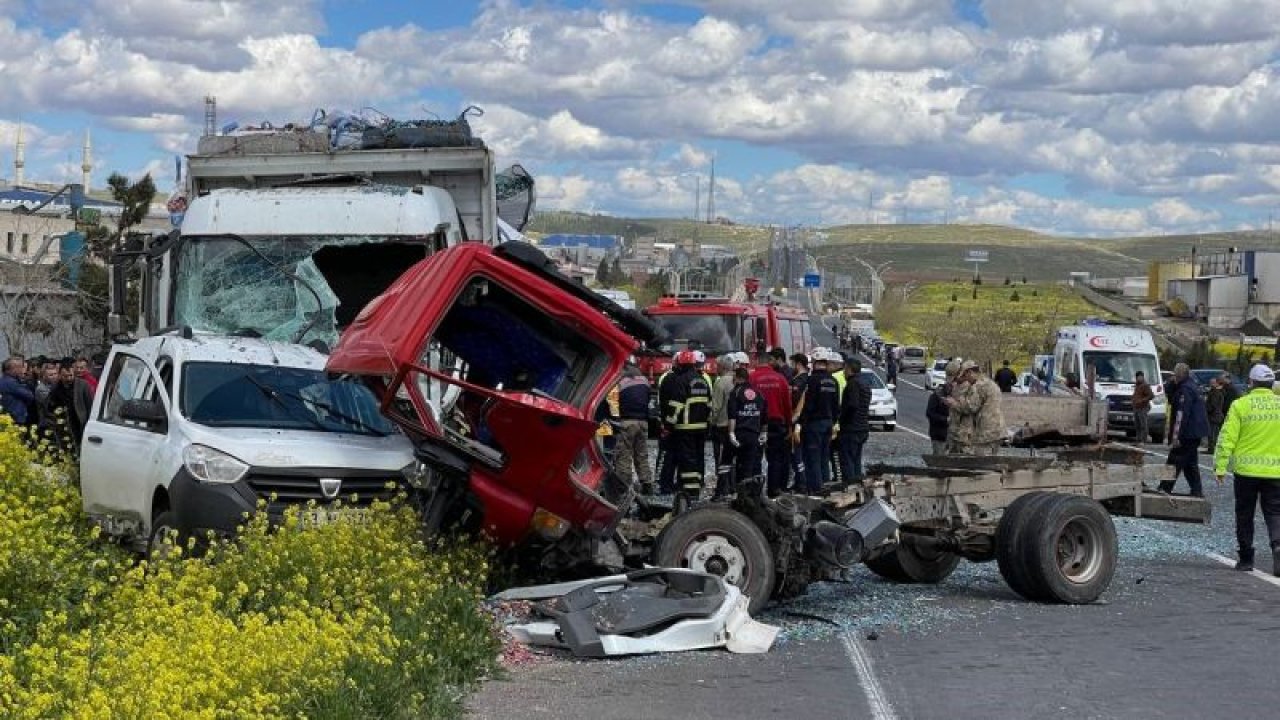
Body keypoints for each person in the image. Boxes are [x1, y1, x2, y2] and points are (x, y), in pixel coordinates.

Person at [1214, 363, 1280, 574]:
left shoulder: (1241, 405)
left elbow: (1227, 438)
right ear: (1272, 384)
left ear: (1250, 383)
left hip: (1246, 472)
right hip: (1275, 472)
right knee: (1275, 513)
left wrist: (1220, 466)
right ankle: (1278, 545)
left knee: (1245, 514)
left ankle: (1246, 558)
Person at [663, 350, 712, 502]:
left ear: (682, 364)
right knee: (698, 458)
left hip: (685, 427)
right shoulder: (703, 380)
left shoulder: (681, 381)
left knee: (688, 460)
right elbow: (709, 405)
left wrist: (668, 425)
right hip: (701, 427)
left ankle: (690, 492)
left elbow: (676, 405)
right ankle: (696, 486)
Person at [1158, 363, 1209, 497]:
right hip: (1194, 432)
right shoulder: (1191, 386)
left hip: (1187, 432)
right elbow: (1169, 393)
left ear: (1178, 375)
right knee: (1190, 464)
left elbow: (1181, 414)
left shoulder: (1185, 390)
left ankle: (1164, 487)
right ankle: (1196, 490)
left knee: (1174, 460)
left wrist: (1176, 437)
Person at [751, 347, 794, 497]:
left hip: (756, 423)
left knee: (755, 457)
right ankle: (774, 490)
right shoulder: (780, 379)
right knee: (775, 459)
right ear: (769, 361)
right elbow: (787, 404)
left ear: (757, 361)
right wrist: (789, 425)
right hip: (777, 423)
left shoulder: (752, 378)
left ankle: (754, 491)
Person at [798, 349, 840, 493]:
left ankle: (816, 490)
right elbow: (836, 406)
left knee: (813, 458)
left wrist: (801, 422)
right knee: (824, 457)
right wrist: (832, 421)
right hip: (828, 423)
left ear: (815, 362)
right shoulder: (833, 381)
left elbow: (808, 405)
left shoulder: (812, 381)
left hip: (814, 424)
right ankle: (826, 487)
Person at [946, 360, 1005, 455]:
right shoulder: (990, 383)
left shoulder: (978, 386)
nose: (965, 380)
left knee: (981, 461)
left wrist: (953, 403)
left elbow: (970, 407)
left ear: (970, 372)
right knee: (993, 460)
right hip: (997, 429)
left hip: (986, 431)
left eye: (965, 376)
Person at [613, 362, 654, 495]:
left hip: (626, 422)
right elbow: (648, 399)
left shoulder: (619, 381)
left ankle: (624, 487)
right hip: (643, 422)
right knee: (642, 455)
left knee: (623, 456)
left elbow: (613, 402)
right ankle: (647, 484)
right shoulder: (644, 381)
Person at [726, 366, 766, 498]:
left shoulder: (735, 392)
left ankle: (740, 494)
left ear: (737, 377)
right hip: (754, 434)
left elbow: (732, 416)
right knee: (751, 464)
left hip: (740, 434)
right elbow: (764, 414)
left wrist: (731, 433)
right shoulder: (758, 392)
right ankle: (752, 494)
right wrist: (763, 432)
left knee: (738, 464)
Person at [708, 354, 738, 499]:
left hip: (721, 425)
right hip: (736, 425)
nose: (715, 368)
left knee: (721, 458)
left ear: (723, 367)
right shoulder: (737, 381)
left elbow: (716, 407)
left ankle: (722, 489)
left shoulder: (720, 384)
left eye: (717, 366)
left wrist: (711, 421)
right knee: (733, 458)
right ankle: (733, 487)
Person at [837, 357, 871, 484]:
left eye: (845, 369)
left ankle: (851, 487)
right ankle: (858, 486)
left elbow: (852, 405)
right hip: (862, 427)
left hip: (851, 429)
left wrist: (842, 418)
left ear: (849, 369)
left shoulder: (852, 384)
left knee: (847, 461)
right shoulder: (865, 383)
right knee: (856, 460)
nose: (844, 372)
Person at [653, 354, 681, 494]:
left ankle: (665, 483)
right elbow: (664, 401)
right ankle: (663, 483)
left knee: (669, 455)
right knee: (667, 455)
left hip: (670, 423)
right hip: (672, 424)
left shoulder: (669, 378)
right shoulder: (670, 378)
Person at [788, 352, 811, 490]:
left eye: (792, 364)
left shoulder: (800, 380)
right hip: (800, 420)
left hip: (796, 420)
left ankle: (801, 482)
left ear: (798, 364)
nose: (791, 367)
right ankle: (800, 481)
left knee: (797, 454)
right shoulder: (802, 378)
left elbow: (795, 401)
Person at [0, 356, 35, 427]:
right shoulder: (11, 383)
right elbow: (29, 396)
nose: (22, 370)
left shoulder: (4, 380)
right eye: (19, 367)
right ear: (12, 369)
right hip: (16, 419)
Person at [926, 366, 952, 455]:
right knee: (939, 457)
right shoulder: (936, 395)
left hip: (952, 436)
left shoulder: (956, 394)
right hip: (939, 435)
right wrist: (945, 419)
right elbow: (930, 413)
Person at [1132, 370, 1154, 444]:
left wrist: (1142, 400)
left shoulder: (1145, 385)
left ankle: (1143, 440)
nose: (1139, 378)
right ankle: (1138, 439)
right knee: (1137, 425)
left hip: (1143, 407)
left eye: (1141, 376)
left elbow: (1151, 395)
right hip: (1136, 407)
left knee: (1143, 424)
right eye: (1138, 377)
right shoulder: (1137, 385)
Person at [1206, 376, 1226, 453]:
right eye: (1210, 383)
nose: (1211, 384)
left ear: (1216, 383)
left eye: (1213, 383)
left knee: (1212, 433)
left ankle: (1212, 448)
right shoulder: (1218, 392)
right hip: (1217, 415)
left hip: (1214, 415)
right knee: (1215, 432)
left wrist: (1207, 409)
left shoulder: (1215, 393)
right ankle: (1212, 447)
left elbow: (1213, 405)